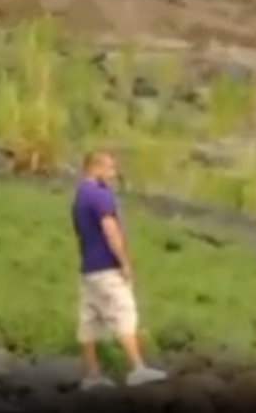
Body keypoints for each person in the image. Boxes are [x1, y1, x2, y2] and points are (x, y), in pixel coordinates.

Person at [71, 150, 167, 389]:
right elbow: (109, 229)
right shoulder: (100, 195)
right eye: (111, 168)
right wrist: (124, 262)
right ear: (97, 167)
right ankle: (137, 368)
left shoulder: (80, 195)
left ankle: (92, 375)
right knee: (123, 312)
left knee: (89, 319)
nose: (113, 174)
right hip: (106, 267)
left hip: (88, 268)